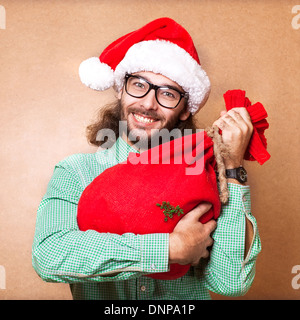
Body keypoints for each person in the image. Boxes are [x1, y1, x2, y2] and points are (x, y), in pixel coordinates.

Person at [32, 17, 261, 300]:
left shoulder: (206, 177)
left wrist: (232, 167)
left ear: (185, 109)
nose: (149, 103)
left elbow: (230, 282)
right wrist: (169, 248)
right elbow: (49, 255)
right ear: (120, 88)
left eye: (167, 93)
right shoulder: (76, 173)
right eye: (139, 85)